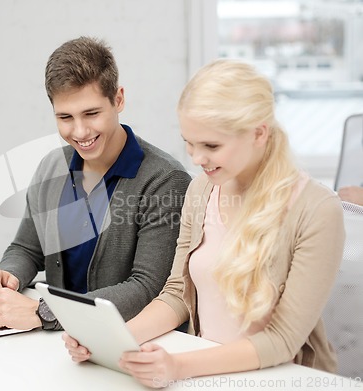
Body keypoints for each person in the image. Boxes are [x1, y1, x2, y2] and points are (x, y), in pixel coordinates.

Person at [63, 59, 345, 388]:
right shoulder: (202, 189)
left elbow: (282, 340)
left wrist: (177, 366)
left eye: (211, 146)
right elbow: (179, 294)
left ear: (258, 133)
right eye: (190, 143)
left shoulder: (317, 209)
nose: (196, 159)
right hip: (207, 371)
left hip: (282, 378)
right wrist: (113, 340)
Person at [0, 36, 191, 331]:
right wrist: (8, 275)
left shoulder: (165, 181)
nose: (79, 131)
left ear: (118, 99)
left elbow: (148, 288)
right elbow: (26, 248)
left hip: (125, 344)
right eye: (65, 117)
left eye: (91, 113)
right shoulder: (52, 166)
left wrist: (45, 313)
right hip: (62, 340)